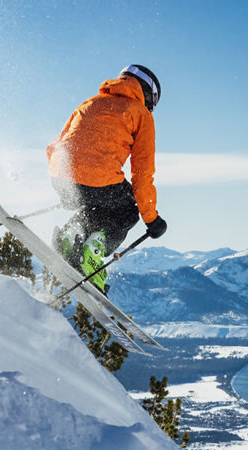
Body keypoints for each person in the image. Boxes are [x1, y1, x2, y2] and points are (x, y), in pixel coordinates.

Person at [47, 64, 168, 294]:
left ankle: (70, 235)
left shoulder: (90, 102)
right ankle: (91, 254)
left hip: (61, 176)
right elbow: (142, 174)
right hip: (98, 180)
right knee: (128, 208)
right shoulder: (140, 114)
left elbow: (55, 146)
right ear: (147, 93)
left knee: (97, 204)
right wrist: (151, 219)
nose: (151, 108)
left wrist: (68, 186)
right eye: (152, 102)